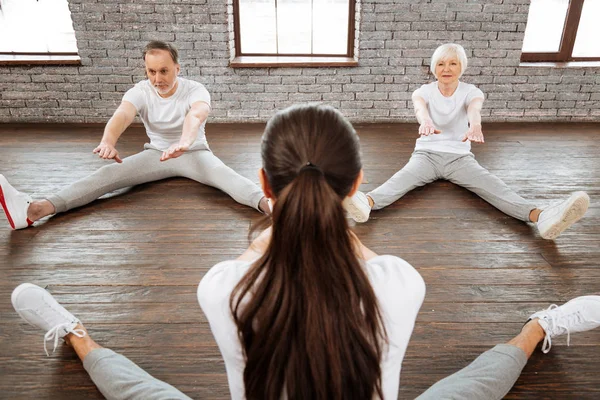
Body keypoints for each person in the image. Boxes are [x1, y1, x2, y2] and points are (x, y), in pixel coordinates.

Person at [10, 105, 600, 399]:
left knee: (140, 393)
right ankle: (538, 325)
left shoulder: (221, 284)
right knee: (472, 388)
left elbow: (280, 257)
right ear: (357, 183)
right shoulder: (402, 280)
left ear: (264, 187)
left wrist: (286, 227)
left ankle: (73, 332)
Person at [0, 41, 269, 230]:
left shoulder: (195, 89)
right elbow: (123, 115)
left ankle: (281, 211)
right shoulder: (140, 91)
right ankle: (34, 210)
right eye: (151, 71)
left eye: (163, 70)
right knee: (106, 177)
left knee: (232, 181)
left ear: (178, 68)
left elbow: (195, 115)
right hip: (156, 155)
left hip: (194, 152)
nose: (157, 78)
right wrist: (108, 141)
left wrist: (185, 142)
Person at [343, 43, 589, 240]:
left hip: (459, 158)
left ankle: (542, 217)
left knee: (494, 188)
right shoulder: (423, 91)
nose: (446, 68)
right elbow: (420, 109)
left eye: (452, 63)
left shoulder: (472, 91)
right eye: (440, 63)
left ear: (462, 67)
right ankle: (365, 203)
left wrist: (476, 125)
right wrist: (425, 121)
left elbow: (474, 110)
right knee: (398, 182)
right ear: (433, 67)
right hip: (426, 155)